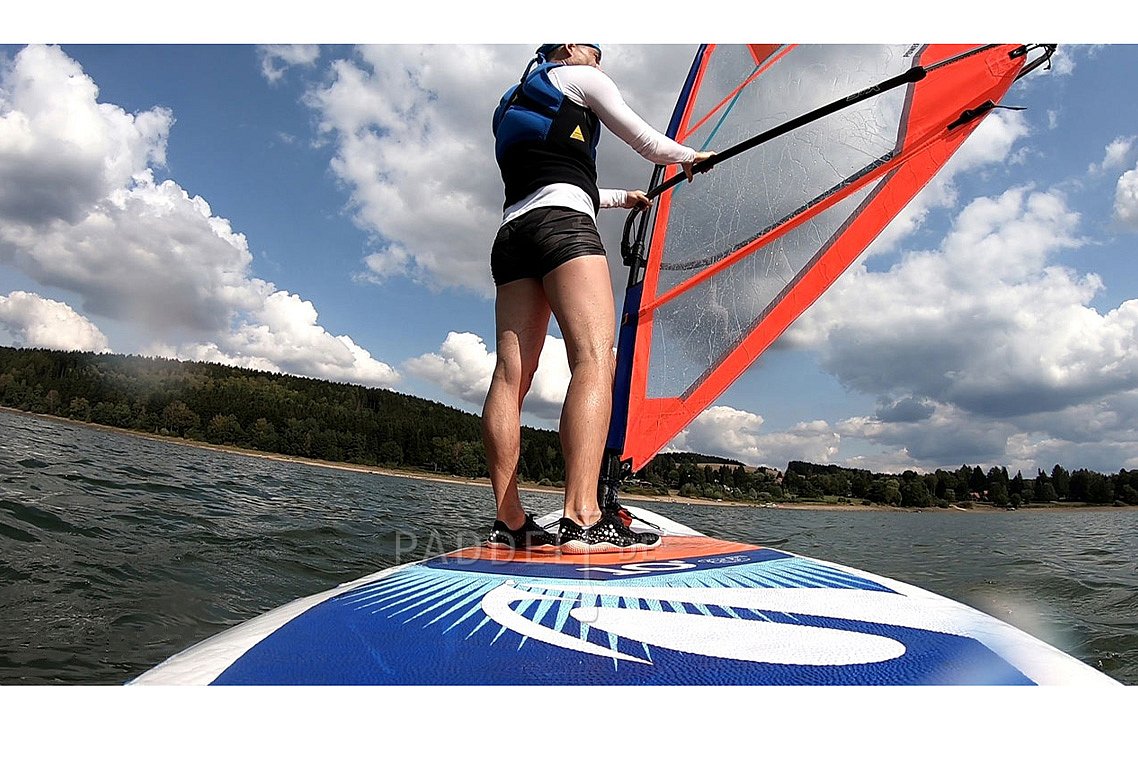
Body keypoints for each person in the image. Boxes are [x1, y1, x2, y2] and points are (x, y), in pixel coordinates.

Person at [482, 43, 713, 554]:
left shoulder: (510, 105)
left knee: (509, 375)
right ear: (567, 47)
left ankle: (510, 519)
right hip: (564, 228)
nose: (600, 61)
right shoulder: (578, 77)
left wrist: (622, 197)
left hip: (513, 235)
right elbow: (646, 140)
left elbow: (555, 177)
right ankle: (583, 517)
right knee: (594, 358)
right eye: (594, 51)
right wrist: (688, 156)